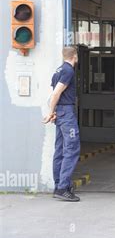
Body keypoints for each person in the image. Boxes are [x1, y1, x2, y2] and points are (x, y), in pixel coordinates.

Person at [43, 46, 80, 202]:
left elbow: (54, 94)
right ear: (75, 56)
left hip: (61, 112)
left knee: (60, 149)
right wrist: (51, 112)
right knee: (71, 148)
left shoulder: (58, 70)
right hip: (66, 114)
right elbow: (56, 93)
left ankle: (59, 185)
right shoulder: (68, 71)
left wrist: (54, 111)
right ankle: (63, 187)